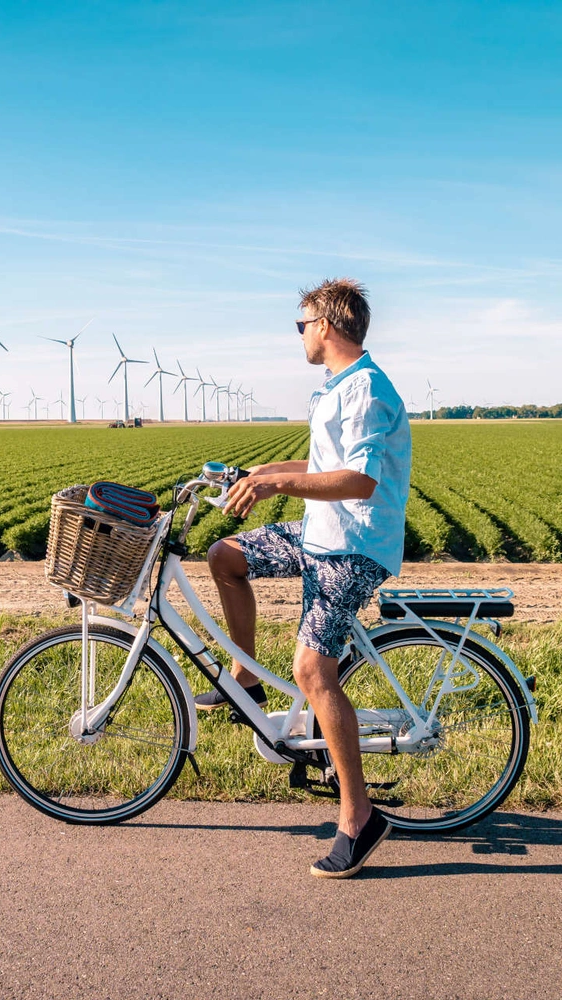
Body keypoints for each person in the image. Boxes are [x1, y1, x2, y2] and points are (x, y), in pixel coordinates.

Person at [198, 278, 411, 878]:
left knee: (314, 670)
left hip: (351, 547)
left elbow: (360, 481)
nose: (300, 334)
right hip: (320, 532)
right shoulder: (336, 388)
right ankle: (245, 675)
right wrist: (262, 470)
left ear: (327, 325)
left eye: (302, 323)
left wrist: (277, 484)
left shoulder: (366, 390)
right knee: (226, 556)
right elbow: (324, 467)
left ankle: (358, 818)